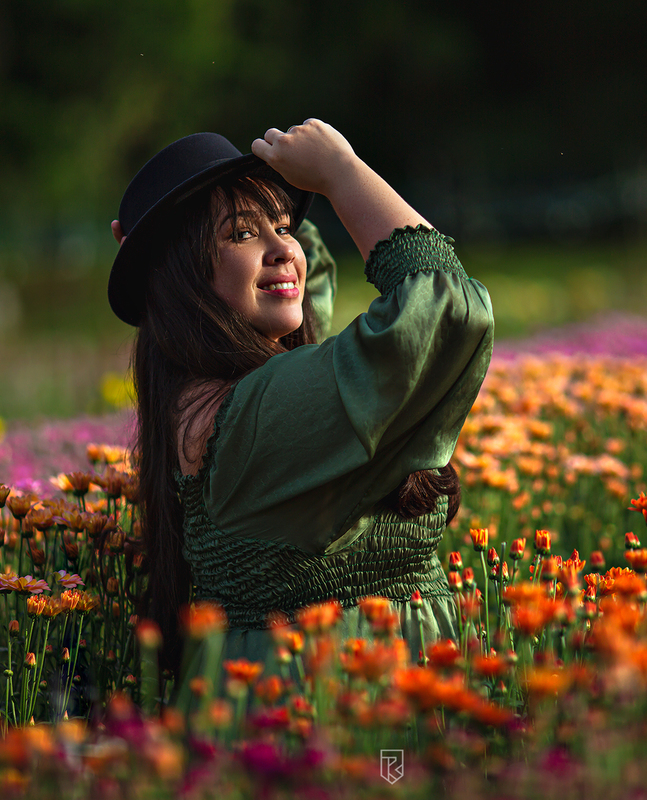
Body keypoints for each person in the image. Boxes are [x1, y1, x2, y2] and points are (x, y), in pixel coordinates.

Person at [107, 119, 494, 691]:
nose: (281, 248)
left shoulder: (221, 389)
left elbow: (301, 276)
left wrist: (150, 244)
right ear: (179, 275)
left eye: (283, 226)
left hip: (348, 693)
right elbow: (444, 310)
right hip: (325, 709)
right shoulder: (246, 416)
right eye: (241, 233)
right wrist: (342, 171)